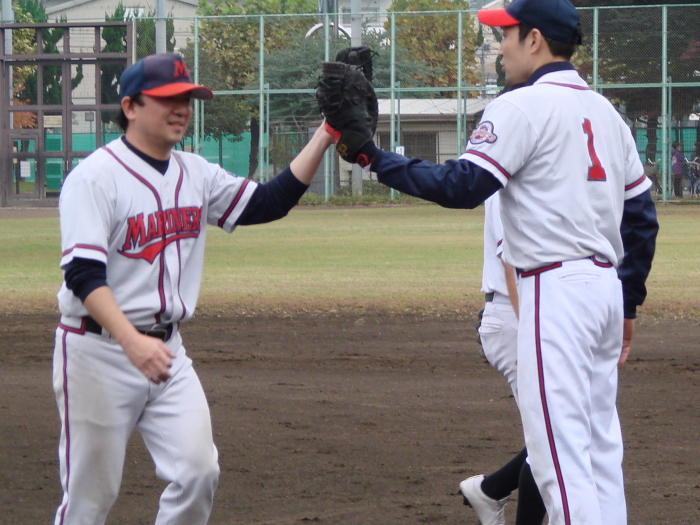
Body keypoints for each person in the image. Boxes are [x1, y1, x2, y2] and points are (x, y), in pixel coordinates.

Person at [320, 0, 659, 523]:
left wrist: (372, 156)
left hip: (555, 293)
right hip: (603, 293)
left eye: (507, 34)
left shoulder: (520, 106)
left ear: (535, 40)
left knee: (559, 461)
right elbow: (641, 219)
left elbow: (462, 186)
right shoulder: (607, 114)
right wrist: (628, 301)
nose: (500, 49)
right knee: (598, 455)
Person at [52, 53, 335, 525]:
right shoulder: (95, 177)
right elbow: (82, 275)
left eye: (186, 99)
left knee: (198, 472)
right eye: (168, 99)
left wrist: (324, 135)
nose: (181, 108)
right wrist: (131, 340)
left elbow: (268, 202)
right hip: (97, 352)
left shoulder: (195, 172)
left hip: (167, 351)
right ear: (130, 107)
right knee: (90, 499)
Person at [460, 191, 546, 525]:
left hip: (527, 313)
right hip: (515, 316)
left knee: (558, 434)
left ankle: (491, 490)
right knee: (549, 442)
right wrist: (528, 329)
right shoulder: (507, 184)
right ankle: (490, 490)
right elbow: (511, 262)